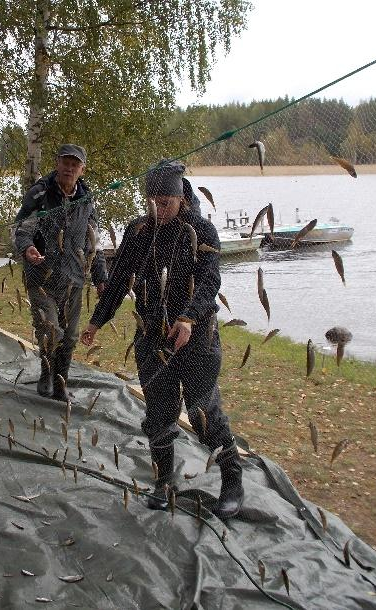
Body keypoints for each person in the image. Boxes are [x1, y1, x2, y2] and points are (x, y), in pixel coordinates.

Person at [79, 160, 244, 520]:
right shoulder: (138, 232)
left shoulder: (201, 231)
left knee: (202, 412)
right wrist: (96, 321)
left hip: (196, 337)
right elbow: (120, 279)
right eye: (151, 201)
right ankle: (164, 480)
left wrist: (188, 318)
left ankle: (233, 477)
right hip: (151, 336)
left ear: (180, 197)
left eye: (165, 201)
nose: (159, 208)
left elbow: (209, 283)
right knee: (159, 412)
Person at [15, 144, 107, 402]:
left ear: (81, 169)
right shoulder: (40, 194)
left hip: (74, 279)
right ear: (57, 163)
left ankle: (60, 384)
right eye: (65, 162)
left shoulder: (86, 200)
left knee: (70, 336)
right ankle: (46, 374)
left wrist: (101, 277)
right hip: (41, 276)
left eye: (74, 164)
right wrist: (28, 248)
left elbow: (93, 242)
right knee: (49, 330)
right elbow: (22, 228)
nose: (69, 168)